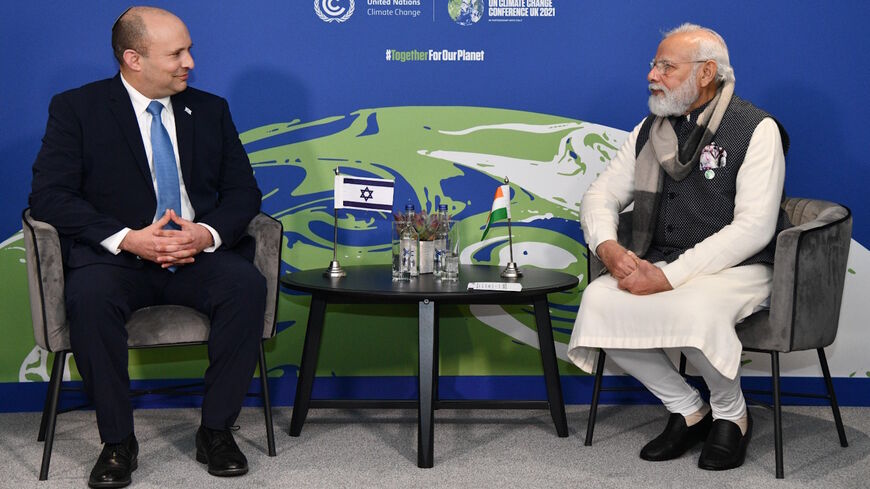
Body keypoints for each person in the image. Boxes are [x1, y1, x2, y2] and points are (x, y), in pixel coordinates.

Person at [29, 7, 265, 487]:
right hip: (117, 259)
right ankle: (117, 441)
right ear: (133, 58)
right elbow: (49, 196)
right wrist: (129, 239)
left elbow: (244, 193)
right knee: (89, 298)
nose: (190, 62)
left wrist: (207, 234)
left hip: (196, 257)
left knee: (245, 286)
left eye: (189, 50)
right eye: (176, 53)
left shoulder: (211, 110)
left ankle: (216, 431)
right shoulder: (77, 109)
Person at [567, 23, 789, 471]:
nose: (653, 75)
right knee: (598, 301)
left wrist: (668, 276)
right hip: (661, 259)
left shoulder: (756, 128)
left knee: (695, 308)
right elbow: (601, 193)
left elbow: (754, 228)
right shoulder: (650, 130)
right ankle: (688, 409)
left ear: (706, 73)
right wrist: (607, 247)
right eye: (654, 64)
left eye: (667, 66)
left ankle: (732, 415)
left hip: (740, 266)